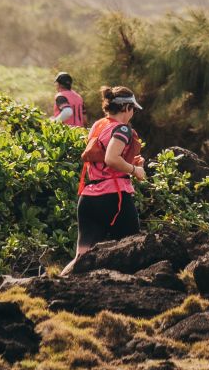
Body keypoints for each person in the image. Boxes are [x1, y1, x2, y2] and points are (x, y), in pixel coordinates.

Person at [61, 87, 148, 275]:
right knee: (134, 249)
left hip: (88, 199)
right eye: (132, 108)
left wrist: (129, 161)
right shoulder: (122, 129)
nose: (133, 113)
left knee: (81, 258)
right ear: (125, 107)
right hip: (114, 199)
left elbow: (101, 157)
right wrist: (135, 170)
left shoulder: (99, 125)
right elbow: (111, 159)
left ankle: (52, 285)